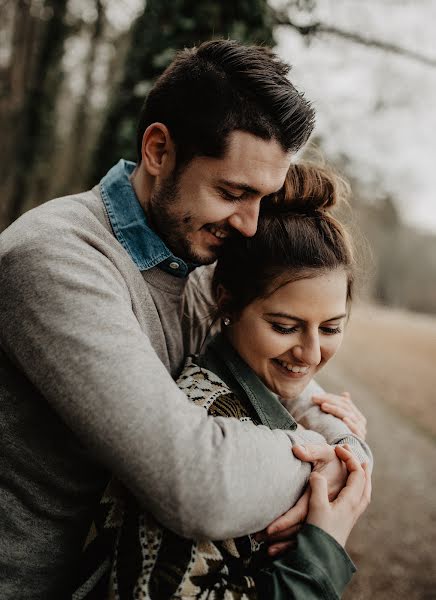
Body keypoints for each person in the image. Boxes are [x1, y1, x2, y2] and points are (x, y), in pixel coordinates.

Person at [0, 39, 365, 599]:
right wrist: (326, 468)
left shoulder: (199, 262)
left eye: (262, 200)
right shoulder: (55, 259)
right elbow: (197, 484)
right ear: (158, 149)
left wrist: (350, 452)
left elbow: (295, 388)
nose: (249, 224)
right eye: (232, 192)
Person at [76, 163, 372, 599]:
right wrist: (318, 558)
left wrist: (349, 447)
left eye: (330, 328)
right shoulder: (206, 418)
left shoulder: (268, 394)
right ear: (226, 300)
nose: (311, 355)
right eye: (286, 326)